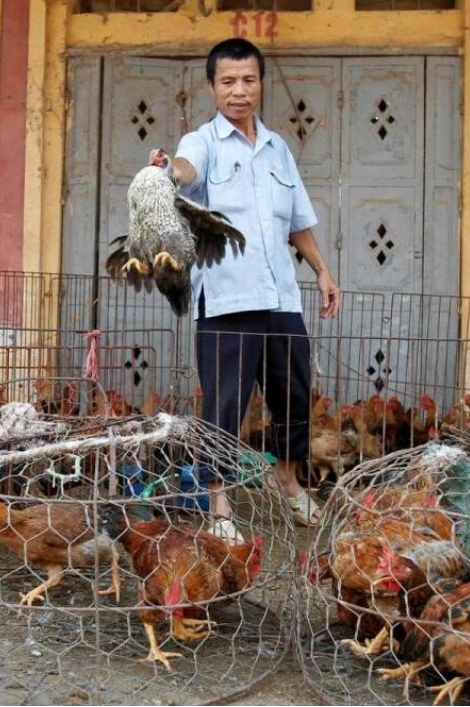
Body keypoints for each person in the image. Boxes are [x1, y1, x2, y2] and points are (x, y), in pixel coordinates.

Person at [162, 37, 341, 540]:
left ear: (260, 83)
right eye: (228, 82)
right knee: (225, 403)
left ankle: (287, 481)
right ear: (212, 87)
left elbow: (297, 218)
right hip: (226, 298)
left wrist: (322, 270)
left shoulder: (278, 147)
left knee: (294, 395)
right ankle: (219, 505)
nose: (239, 91)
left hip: (281, 297)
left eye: (248, 80)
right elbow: (183, 169)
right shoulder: (204, 143)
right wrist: (165, 173)